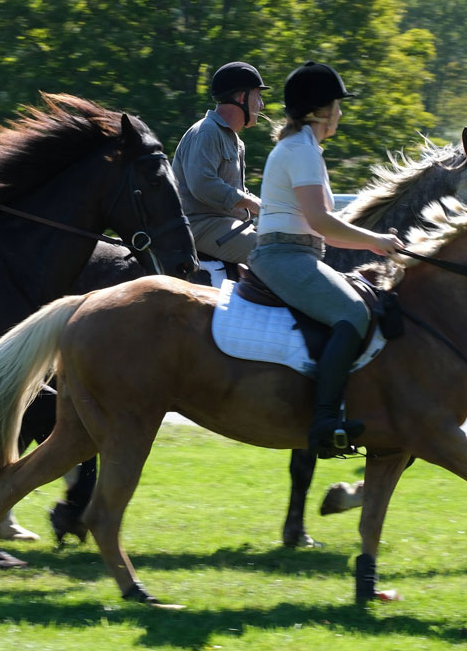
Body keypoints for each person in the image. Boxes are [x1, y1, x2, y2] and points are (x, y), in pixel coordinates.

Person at [248, 61, 404, 457]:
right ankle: (324, 422)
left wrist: (370, 243)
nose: (340, 112)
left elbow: (320, 226)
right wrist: (376, 241)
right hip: (284, 254)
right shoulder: (300, 150)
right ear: (319, 110)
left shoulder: (305, 148)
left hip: (297, 252)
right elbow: (321, 221)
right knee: (353, 314)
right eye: (336, 104)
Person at [171, 61, 269, 283]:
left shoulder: (233, 139)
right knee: (270, 253)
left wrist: (267, 208)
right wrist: (252, 205)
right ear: (242, 98)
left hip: (222, 225)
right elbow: (203, 185)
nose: (261, 105)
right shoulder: (206, 133)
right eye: (257, 96)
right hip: (200, 226)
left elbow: (236, 190)